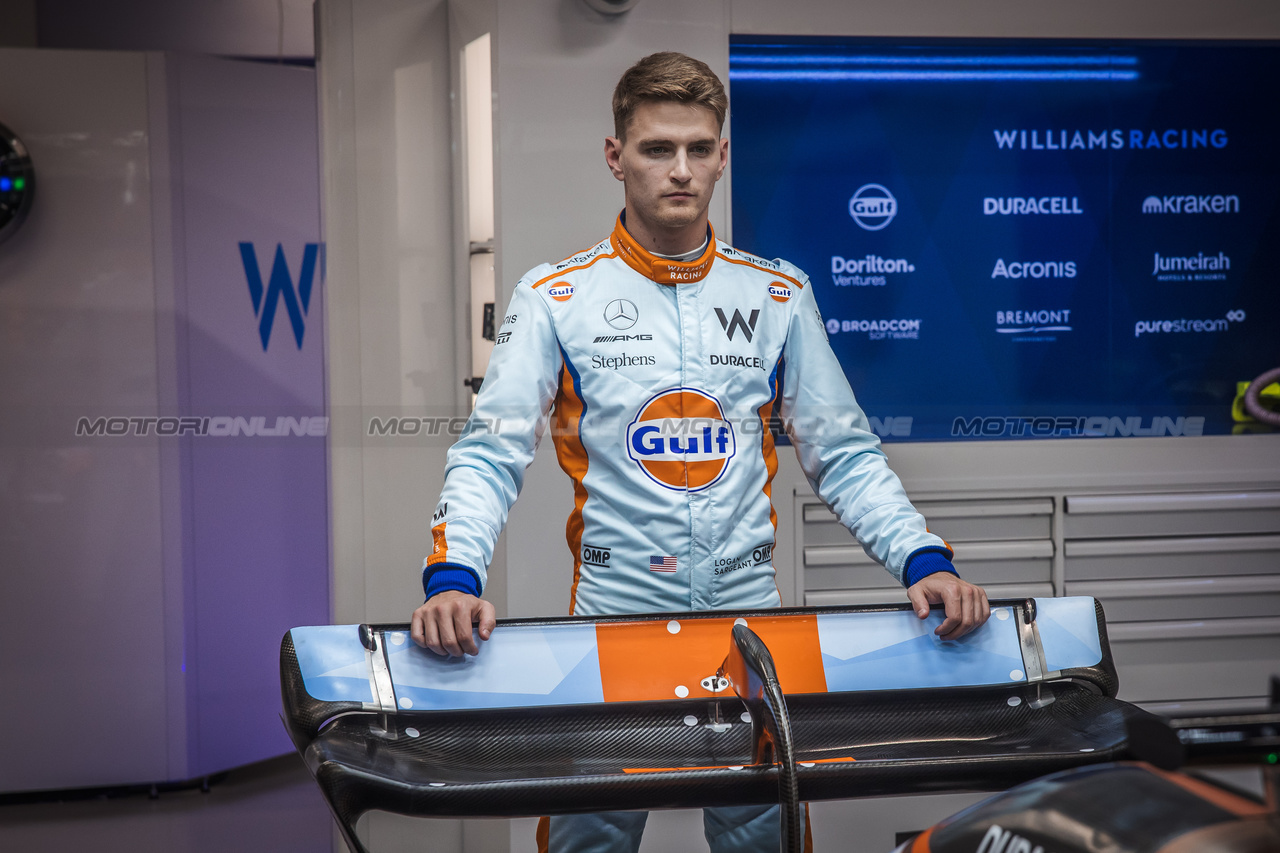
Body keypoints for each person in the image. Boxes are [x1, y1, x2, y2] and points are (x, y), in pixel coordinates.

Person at [411, 52, 990, 853]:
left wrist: (926, 562)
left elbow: (846, 455)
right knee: (589, 840)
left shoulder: (776, 293)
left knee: (766, 839)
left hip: (750, 624)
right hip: (612, 625)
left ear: (722, 155)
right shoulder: (557, 296)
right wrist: (454, 577)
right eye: (656, 149)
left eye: (698, 148)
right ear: (615, 157)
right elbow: (490, 452)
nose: (679, 170)